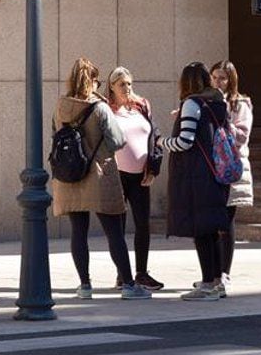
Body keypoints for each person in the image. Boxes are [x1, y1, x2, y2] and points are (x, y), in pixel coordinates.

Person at [52, 58, 150, 300]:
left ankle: (84, 285)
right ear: (93, 81)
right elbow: (117, 140)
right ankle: (128, 284)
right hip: (99, 174)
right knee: (114, 231)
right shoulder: (100, 107)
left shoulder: (61, 106)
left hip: (70, 176)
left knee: (78, 231)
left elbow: (55, 133)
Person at [156, 60, 234, 301]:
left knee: (201, 231)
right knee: (211, 230)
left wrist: (161, 142)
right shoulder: (218, 102)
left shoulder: (193, 103)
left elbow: (185, 141)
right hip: (215, 173)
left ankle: (208, 285)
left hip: (196, 176)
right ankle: (216, 281)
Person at [105, 67, 162, 291]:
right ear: (112, 87)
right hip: (117, 175)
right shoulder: (107, 110)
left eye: (129, 83)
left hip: (141, 175)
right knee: (117, 227)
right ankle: (123, 273)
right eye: (121, 84)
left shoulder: (142, 106)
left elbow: (154, 137)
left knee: (143, 224)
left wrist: (153, 168)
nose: (127, 88)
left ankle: (141, 272)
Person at [209, 61, 253, 283]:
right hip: (211, 168)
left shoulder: (239, 104)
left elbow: (242, 136)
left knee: (227, 220)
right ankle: (213, 272)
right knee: (212, 221)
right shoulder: (206, 101)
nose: (218, 82)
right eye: (215, 77)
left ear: (231, 80)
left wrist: (223, 119)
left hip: (232, 167)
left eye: (223, 78)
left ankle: (224, 271)